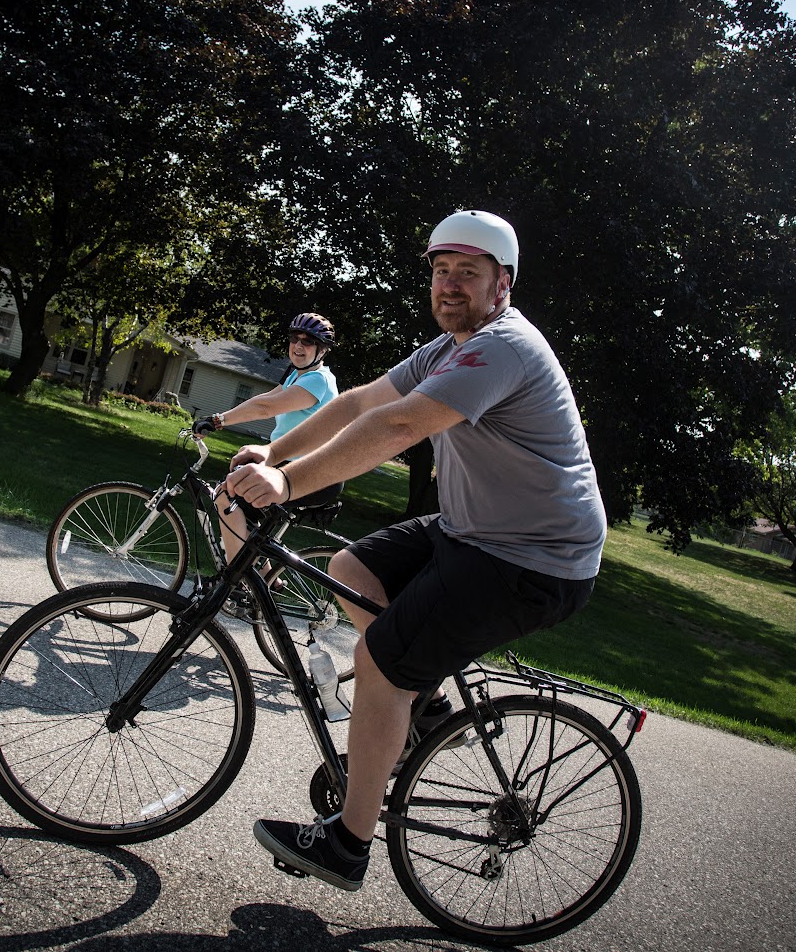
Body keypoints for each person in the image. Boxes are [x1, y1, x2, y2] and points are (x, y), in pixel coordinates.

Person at [225, 209, 607, 892]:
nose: (450, 284)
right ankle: (425, 708)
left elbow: (397, 425)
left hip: (536, 559)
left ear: (503, 285)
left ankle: (347, 843)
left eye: (469, 272)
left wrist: (286, 484)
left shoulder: (501, 348)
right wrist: (275, 451)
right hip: (474, 530)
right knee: (350, 569)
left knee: (379, 661)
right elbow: (365, 401)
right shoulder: (452, 345)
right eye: (440, 271)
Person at [194, 313, 344, 565]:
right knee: (241, 511)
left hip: (313, 473)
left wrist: (219, 421)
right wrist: (219, 418)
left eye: (307, 342)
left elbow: (267, 407)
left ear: (322, 350)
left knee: (226, 495)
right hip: (293, 466)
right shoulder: (298, 376)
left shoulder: (318, 380)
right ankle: (260, 579)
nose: (298, 345)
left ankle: (235, 578)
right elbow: (261, 399)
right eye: (294, 338)